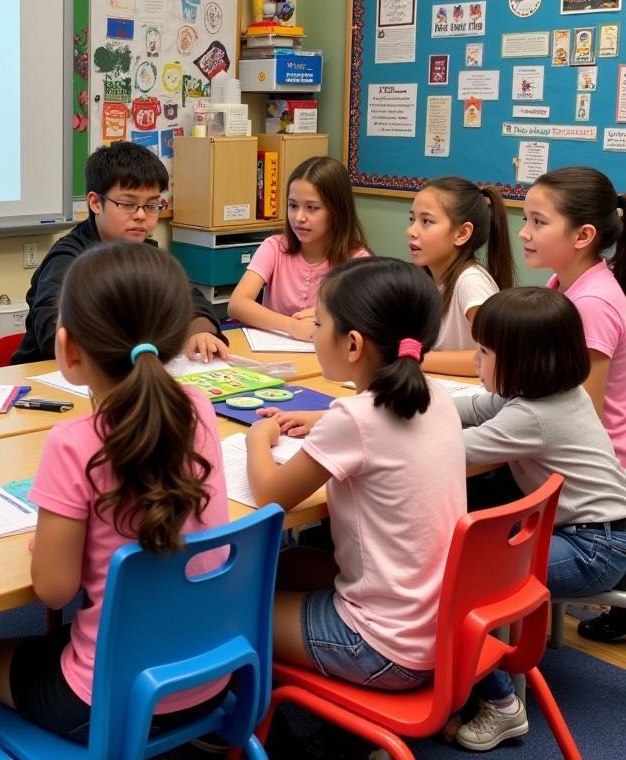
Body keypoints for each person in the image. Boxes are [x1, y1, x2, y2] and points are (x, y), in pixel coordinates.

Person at [0, 244, 230, 741]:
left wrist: (55, 546)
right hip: (211, 678)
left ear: (67, 349)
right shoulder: (199, 407)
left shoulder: (72, 442)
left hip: (110, 696)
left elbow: (53, 590)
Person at [246, 257, 466, 693]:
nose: (311, 334)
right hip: (441, 631)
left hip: (381, 647)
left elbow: (271, 494)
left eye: (318, 324)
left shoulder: (355, 420)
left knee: (232, 611)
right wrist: (325, 418)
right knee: (284, 565)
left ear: (352, 346)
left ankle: (232, 728)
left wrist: (260, 435)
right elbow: (374, 428)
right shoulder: (435, 395)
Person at [451, 287, 626, 751]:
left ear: (522, 363)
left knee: (460, 586)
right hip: (600, 531)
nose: (475, 360)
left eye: (484, 352)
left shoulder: (530, 416)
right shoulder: (548, 395)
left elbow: (449, 453)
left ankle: (502, 704)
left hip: (594, 548)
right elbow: (469, 408)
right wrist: (410, 403)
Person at [521, 165, 626, 644]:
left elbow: (584, 410)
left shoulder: (593, 304)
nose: (525, 232)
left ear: (583, 235)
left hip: (596, 480)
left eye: (539, 222)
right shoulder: (564, 287)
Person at [13, 142, 228, 364]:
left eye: (152, 205)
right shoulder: (67, 258)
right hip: (53, 376)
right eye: (127, 204)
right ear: (95, 203)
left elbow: (189, 300)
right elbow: (54, 330)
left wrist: (200, 331)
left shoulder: (147, 254)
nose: (141, 215)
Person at [228, 156, 370, 342]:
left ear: (337, 212)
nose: (299, 217)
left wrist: (326, 318)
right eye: (293, 206)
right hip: (272, 355)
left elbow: (365, 322)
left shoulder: (357, 261)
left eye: (312, 208)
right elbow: (237, 304)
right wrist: (292, 326)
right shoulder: (275, 247)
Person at [407, 176, 514, 376]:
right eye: (412, 219)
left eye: (426, 221)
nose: (411, 231)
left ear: (462, 233)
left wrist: (413, 357)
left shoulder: (471, 281)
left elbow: (495, 355)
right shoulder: (429, 279)